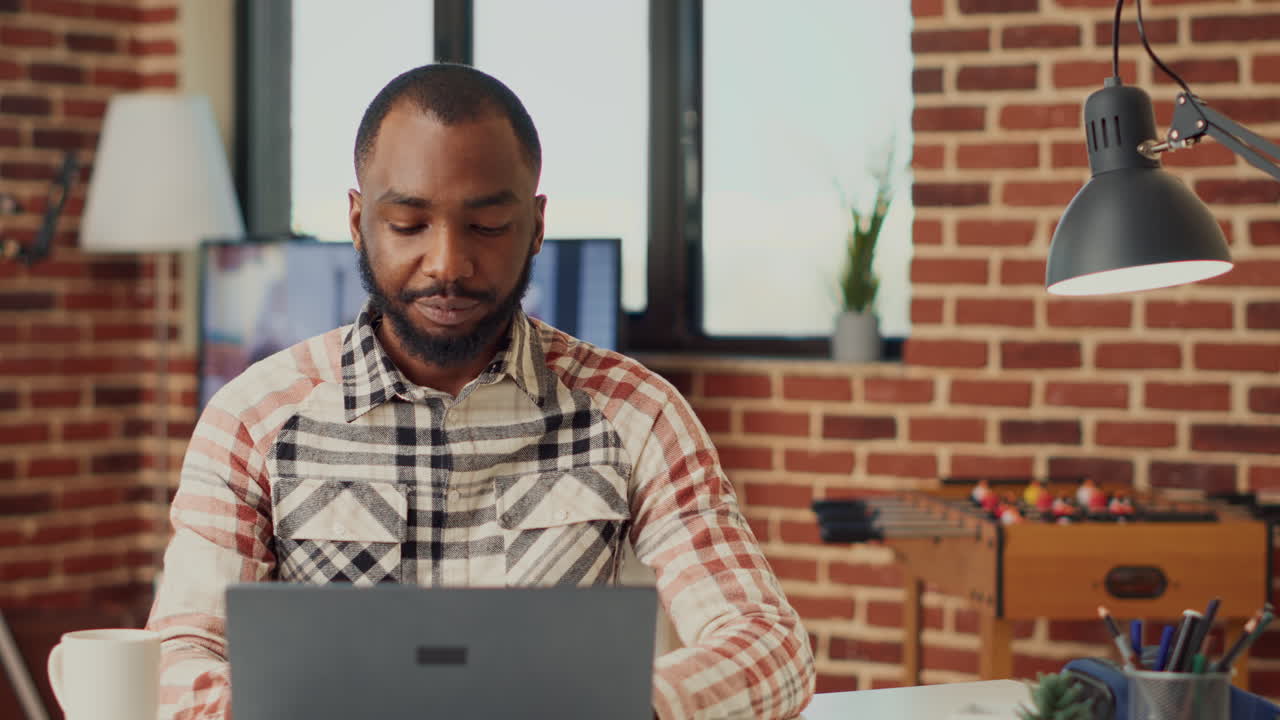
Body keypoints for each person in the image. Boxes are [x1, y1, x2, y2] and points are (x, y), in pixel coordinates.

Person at [146, 63, 815, 720]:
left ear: (535, 225)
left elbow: (771, 647)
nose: (448, 265)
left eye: (488, 227)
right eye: (409, 225)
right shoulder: (251, 421)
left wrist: (631, 707)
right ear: (357, 222)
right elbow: (179, 660)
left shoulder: (637, 413)